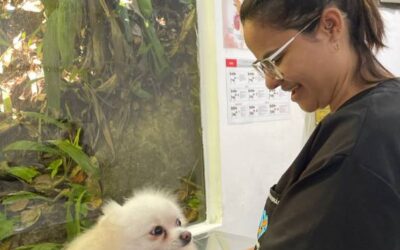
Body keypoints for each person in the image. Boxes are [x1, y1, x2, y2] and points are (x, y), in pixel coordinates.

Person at [239, 0, 400, 249]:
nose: (270, 82)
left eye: (276, 59)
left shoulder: (358, 145)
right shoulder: (377, 111)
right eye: (264, 67)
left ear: (330, 26)